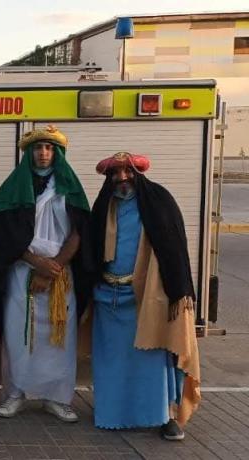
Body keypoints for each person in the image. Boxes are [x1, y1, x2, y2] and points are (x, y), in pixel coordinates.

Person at [90, 151, 201, 440]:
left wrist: (178, 292)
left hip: (148, 299)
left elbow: (173, 248)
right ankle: (113, 414)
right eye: (116, 173)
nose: (122, 178)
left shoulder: (158, 202)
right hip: (109, 298)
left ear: (137, 175)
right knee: (112, 361)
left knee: (154, 360)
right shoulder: (104, 206)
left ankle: (167, 416)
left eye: (127, 172)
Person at [0, 125, 93, 422]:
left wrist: (54, 266)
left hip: (62, 274)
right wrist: (36, 262)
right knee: (19, 334)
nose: (43, 153)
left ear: (57, 153)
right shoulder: (13, 188)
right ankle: (14, 394)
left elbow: (79, 231)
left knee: (59, 338)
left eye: (49, 148)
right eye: (38, 148)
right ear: (29, 153)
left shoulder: (70, 188)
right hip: (22, 272)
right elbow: (5, 235)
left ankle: (57, 398)